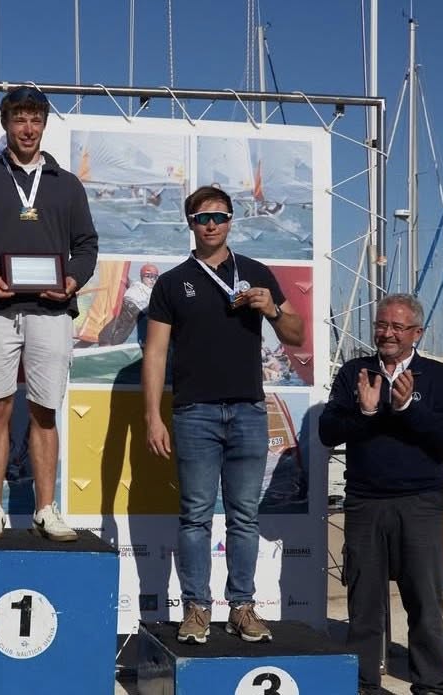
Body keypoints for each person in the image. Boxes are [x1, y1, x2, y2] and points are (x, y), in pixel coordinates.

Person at [142, 185, 305, 644]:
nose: (210, 224)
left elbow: (296, 334)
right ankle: (196, 608)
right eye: (202, 218)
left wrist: (271, 309)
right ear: (190, 223)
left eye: (219, 216)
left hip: (249, 410)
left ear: (232, 220)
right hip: (195, 412)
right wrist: (153, 416)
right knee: (195, 516)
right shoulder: (172, 282)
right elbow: (155, 353)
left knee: (244, 518)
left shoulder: (255, 273)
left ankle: (242, 606)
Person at [0, 86, 99, 541]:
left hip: (51, 311)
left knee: (45, 410)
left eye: (35, 120)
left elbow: (87, 246)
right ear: (6, 124)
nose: (27, 129)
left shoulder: (66, 184)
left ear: (44, 124)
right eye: (19, 120)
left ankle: (45, 509)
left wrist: (73, 279)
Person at [318, 293, 443, 695]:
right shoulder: (354, 372)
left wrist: (407, 408)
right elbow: (328, 430)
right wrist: (365, 412)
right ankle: (365, 682)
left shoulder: (437, 375)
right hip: (365, 502)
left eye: (397, 327)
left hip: (420, 503)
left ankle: (429, 683)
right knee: (364, 600)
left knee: (425, 600)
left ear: (417, 333)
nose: (387, 333)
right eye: (381, 325)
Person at [98, 263, 159, 345]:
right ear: (142, 277)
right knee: (125, 327)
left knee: (118, 321)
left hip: (128, 306)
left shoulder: (140, 286)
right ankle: (113, 343)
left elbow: (127, 281)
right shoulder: (140, 286)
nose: (152, 280)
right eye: (149, 276)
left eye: (155, 277)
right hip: (133, 308)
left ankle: (104, 339)